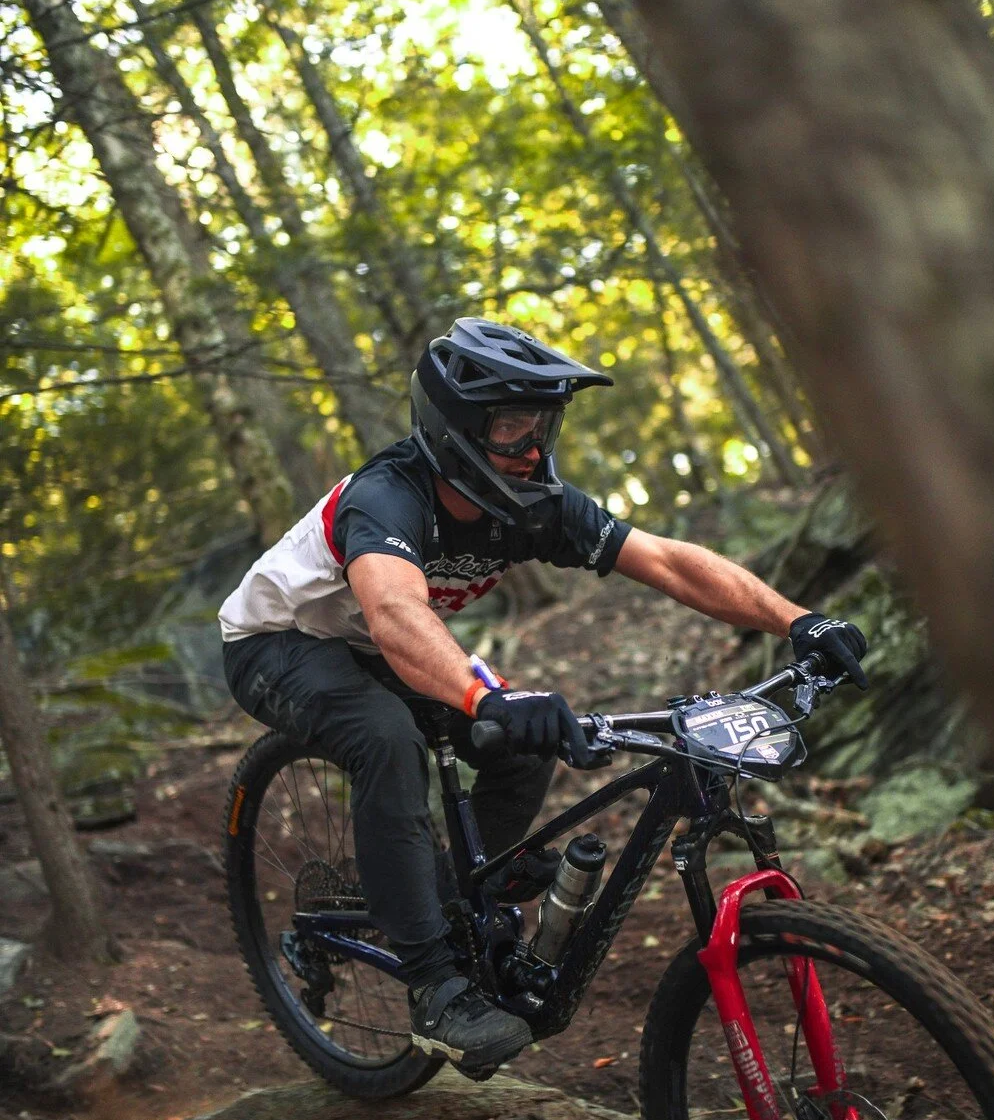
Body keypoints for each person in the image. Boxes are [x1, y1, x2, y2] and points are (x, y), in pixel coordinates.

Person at [219, 317, 868, 1076]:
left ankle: (453, 890)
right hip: (277, 642)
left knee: (522, 744)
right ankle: (433, 987)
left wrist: (798, 619)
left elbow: (666, 561)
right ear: (456, 428)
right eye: (512, 424)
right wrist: (482, 697)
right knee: (387, 739)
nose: (534, 446)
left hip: (371, 644)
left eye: (543, 423)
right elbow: (396, 613)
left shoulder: (531, 501)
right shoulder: (389, 496)